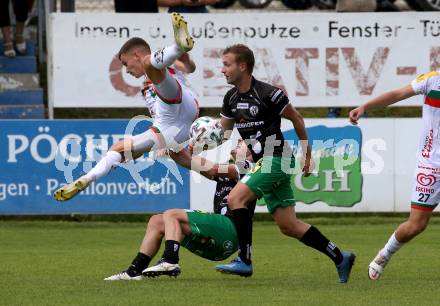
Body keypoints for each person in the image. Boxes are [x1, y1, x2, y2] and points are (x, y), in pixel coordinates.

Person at [215, 44, 355, 283]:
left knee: (235, 199)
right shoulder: (230, 98)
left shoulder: (269, 93)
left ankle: (245, 261)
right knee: (289, 225)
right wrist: (191, 143)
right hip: (263, 161)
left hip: (277, 158)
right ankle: (340, 256)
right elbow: (221, 133)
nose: (222, 70)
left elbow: (297, 119)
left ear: (242, 66)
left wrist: (307, 155)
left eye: (227, 64)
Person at [54, 13, 200, 201]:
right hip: (174, 125)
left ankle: (178, 46)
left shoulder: (155, 63)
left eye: (126, 64)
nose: (127, 70)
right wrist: (165, 142)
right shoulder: (151, 77)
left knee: (151, 65)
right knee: (118, 149)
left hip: (177, 102)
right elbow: (189, 67)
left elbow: (189, 67)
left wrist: (182, 53)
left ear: (136, 55)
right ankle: (86, 179)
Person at [104, 140, 256, 280]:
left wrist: (175, 146)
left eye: (242, 141)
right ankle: (134, 271)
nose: (238, 141)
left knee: (172, 214)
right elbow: (192, 163)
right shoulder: (230, 170)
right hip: (220, 242)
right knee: (157, 221)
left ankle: (170, 259)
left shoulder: (249, 166)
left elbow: (213, 169)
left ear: (251, 151)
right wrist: (172, 150)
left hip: (231, 229)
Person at [349, 70, 440, 281]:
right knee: (416, 225)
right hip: (430, 166)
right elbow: (397, 94)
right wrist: (365, 107)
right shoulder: (432, 79)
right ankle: (384, 254)